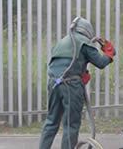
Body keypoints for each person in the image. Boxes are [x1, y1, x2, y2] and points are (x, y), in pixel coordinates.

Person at [39, 17, 115, 149]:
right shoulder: (84, 43)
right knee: (71, 125)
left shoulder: (62, 42)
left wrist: (80, 73)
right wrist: (109, 54)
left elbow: (61, 64)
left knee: (51, 122)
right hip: (70, 86)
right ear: (87, 31)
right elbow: (101, 63)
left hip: (54, 83)